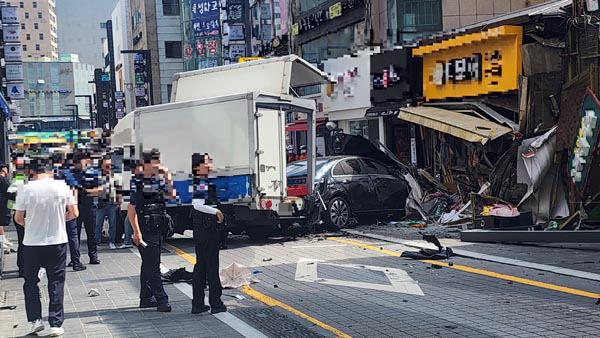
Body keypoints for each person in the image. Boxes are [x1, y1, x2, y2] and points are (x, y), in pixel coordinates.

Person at [14, 156, 79, 337]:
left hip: (32, 243)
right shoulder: (62, 187)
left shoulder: (25, 189)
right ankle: (55, 324)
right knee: (56, 282)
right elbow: (74, 213)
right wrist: (60, 221)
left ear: (33, 171)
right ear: (51, 170)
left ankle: (35, 321)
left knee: (30, 282)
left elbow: (18, 218)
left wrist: (32, 225)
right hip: (57, 241)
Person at [128, 148, 175, 312]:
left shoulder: (159, 180)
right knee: (153, 266)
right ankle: (162, 300)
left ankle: (145, 298)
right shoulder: (138, 181)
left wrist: (168, 177)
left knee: (149, 264)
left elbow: (172, 196)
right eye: (155, 163)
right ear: (146, 164)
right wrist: (136, 231)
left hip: (158, 227)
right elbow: (131, 209)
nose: (157, 166)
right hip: (145, 229)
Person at [190, 153, 226, 314]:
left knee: (202, 266)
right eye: (206, 163)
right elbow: (197, 204)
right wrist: (215, 211)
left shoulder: (201, 180)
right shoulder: (200, 181)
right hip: (206, 229)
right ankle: (215, 303)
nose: (210, 165)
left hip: (202, 229)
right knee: (210, 266)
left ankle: (198, 303)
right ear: (198, 167)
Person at [69, 151, 102, 265]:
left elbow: (100, 189)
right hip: (75, 207)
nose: (78, 164)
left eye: (79, 161)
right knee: (74, 234)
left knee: (91, 233)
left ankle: (93, 256)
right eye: (76, 162)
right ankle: (74, 258)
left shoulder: (93, 172)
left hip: (89, 206)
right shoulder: (71, 174)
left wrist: (86, 191)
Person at [56, 152, 86, 271]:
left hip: (54, 208)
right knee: (72, 235)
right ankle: (76, 262)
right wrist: (75, 206)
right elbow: (73, 189)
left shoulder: (49, 174)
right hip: (67, 207)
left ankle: (59, 262)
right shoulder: (66, 172)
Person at [95, 155, 120, 249]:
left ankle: (112, 241)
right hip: (101, 202)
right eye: (106, 166)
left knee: (113, 223)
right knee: (98, 223)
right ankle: (97, 242)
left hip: (112, 202)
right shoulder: (98, 176)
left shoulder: (114, 176)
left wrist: (119, 201)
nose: (108, 168)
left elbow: (119, 189)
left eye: (109, 165)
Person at [0, 163, 14, 249]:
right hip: (3, 203)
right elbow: (10, 191)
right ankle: (2, 239)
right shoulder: (2, 179)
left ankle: (2, 238)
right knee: (1, 222)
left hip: (3, 202)